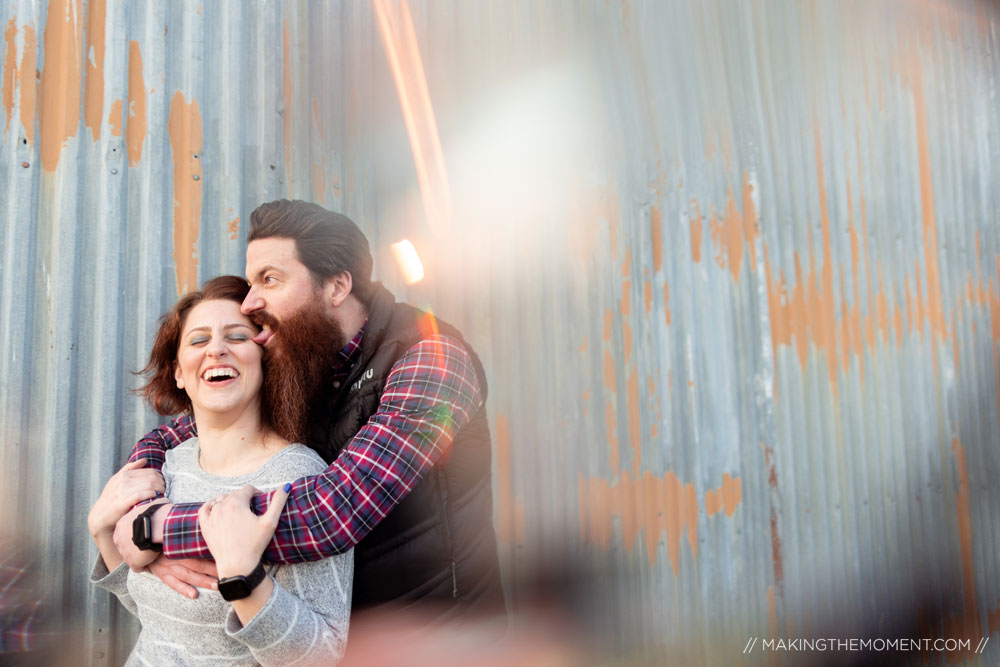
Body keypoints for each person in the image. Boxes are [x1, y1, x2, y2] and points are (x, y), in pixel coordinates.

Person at [113, 200, 505, 623]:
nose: (249, 303)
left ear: (336, 286)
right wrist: (140, 504)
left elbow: (332, 513)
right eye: (251, 282)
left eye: (270, 280)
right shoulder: (305, 354)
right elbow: (170, 436)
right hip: (345, 637)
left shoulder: (433, 360)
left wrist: (156, 530)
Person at [88, 276, 352, 665]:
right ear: (178, 372)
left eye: (237, 337)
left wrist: (243, 578)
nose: (216, 350)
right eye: (198, 340)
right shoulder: (165, 467)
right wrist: (102, 533)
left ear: (265, 359)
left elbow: (323, 656)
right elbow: (161, 619)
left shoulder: (299, 477)